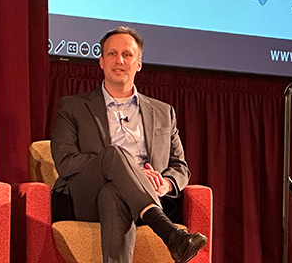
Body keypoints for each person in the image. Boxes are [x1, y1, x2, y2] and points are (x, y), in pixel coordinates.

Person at [50, 26, 207, 263]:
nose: (119, 60)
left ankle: (159, 224)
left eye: (127, 54)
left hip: (148, 197)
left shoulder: (164, 113)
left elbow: (180, 166)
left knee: (113, 192)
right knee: (114, 155)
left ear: (139, 63)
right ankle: (169, 233)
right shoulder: (72, 107)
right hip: (84, 199)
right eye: (112, 54)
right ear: (101, 62)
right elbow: (65, 162)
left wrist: (165, 183)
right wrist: (120, 168)